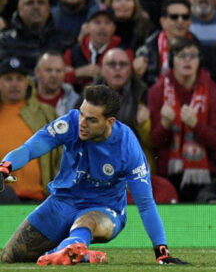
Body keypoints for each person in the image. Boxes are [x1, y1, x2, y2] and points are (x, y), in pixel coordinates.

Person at [0, 85, 187, 265]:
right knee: (10, 256)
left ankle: (71, 248)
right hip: (61, 203)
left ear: (110, 122)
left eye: (92, 119)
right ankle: (83, 255)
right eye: (82, 113)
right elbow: (31, 148)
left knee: (87, 220)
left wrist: (161, 251)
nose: (82, 122)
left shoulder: (127, 146)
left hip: (104, 210)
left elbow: (146, 204)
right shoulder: (70, 123)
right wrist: (5, 167)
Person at [148, 38, 216, 202]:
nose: (187, 60)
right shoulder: (157, 92)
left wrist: (196, 125)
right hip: (168, 174)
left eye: (193, 55)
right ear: (172, 60)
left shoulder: (213, 92)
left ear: (200, 61)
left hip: (207, 175)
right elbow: (153, 142)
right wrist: (165, 125)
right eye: (181, 55)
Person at [0, 56, 61, 202]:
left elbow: (61, 157)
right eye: (8, 79)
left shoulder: (46, 113)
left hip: (38, 200)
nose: (14, 84)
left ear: (27, 82)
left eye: (20, 79)